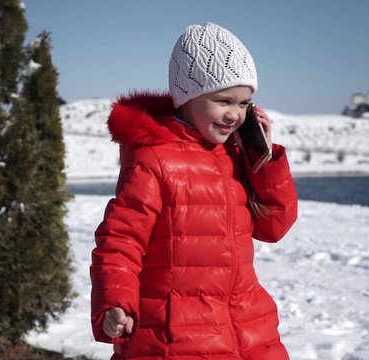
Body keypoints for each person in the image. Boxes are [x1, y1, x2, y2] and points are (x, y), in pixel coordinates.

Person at [91, 22, 298, 360]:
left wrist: (265, 159)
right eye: (223, 100)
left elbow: (274, 226)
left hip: (249, 330)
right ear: (188, 96)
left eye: (245, 103)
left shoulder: (235, 153)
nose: (235, 114)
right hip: (176, 340)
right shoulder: (153, 159)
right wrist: (115, 302)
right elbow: (120, 241)